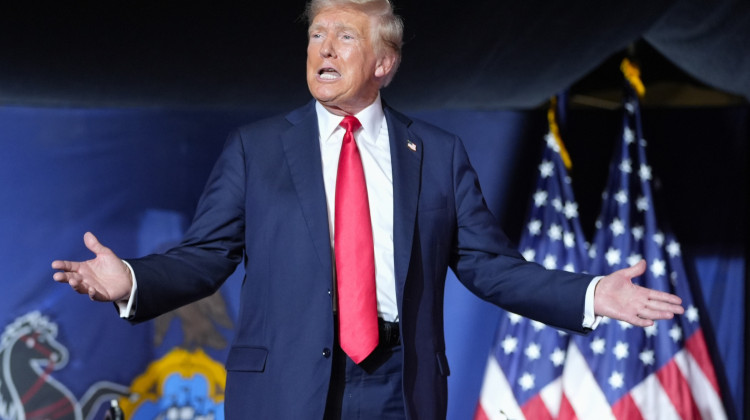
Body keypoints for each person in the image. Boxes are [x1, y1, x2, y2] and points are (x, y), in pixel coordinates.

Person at [52, 0, 684, 418]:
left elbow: (490, 267)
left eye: (344, 36)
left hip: (397, 387)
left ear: (384, 62)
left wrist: (592, 295)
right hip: (285, 389)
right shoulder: (256, 149)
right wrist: (130, 279)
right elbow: (204, 257)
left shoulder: (437, 154)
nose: (323, 48)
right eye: (316, 35)